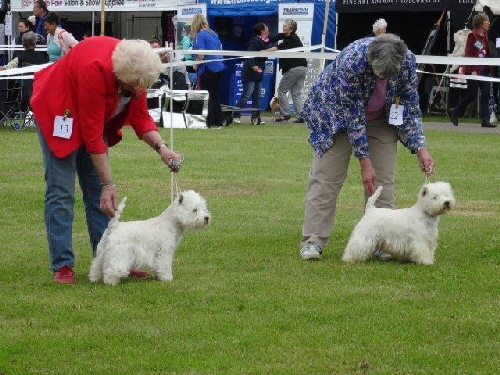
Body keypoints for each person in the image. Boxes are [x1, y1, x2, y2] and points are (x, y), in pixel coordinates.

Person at [31, 36, 181, 284]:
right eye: (132, 88)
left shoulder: (138, 71)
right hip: (60, 111)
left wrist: (162, 148)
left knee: (98, 196)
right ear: (120, 75)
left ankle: (112, 258)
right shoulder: (95, 69)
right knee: (61, 191)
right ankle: (63, 264)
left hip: (92, 118)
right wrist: (108, 183)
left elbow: (141, 118)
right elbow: (91, 134)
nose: (136, 92)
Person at [299, 33, 435, 260]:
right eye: (379, 73)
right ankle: (312, 241)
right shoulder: (352, 59)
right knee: (325, 180)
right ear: (370, 60)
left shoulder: (408, 61)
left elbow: (410, 103)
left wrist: (421, 147)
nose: (382, 78)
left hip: (381, 118)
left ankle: (383, 243)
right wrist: (364, 161)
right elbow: (353, 116)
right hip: (336, 117)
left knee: (383, 181)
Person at [449, 12, 496, 128]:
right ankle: (455, 111)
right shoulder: (472, 36)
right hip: (473, 70)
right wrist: (473, 69)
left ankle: (485, 120)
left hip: (483, 70)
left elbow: (485, 53)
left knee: (485, 94)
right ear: (481, 23)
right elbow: (468, 54)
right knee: (472, 95)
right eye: (487, 21)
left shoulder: (485, 35)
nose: (489, 23)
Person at [233, 22, 282, 125]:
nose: (268, 28)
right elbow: (249, 55)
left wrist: (285, 35)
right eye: (266, 27)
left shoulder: (264, 39)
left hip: (259, 71)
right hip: (250, 71)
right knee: (246, 95)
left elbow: (274, 37)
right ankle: (235, 115)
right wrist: (253, 66)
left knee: (257, 96)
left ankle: (255, 117)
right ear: (263, 30)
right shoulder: (255, 41)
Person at [266, 19, 308, 123]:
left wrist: (262, 51)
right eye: (283, 25)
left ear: (291, 29)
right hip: (303, 68)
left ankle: (285, 115)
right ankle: (301, 116)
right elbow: (273, 37)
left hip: (294, 69)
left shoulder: (291, 40)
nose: (283, 27)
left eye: (286, 26)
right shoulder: (291, 37)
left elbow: (276, 48)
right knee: (296, 93)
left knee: (281, 91)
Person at [191, 13, 225, 128]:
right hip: (219, 66)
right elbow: (221, 48)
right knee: (214, 94)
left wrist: (195, 66)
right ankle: (218, 119)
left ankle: (209, 120)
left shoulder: (200, 35)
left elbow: (200, 54)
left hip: (208, 68)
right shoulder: (213, 33)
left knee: (208, 95)